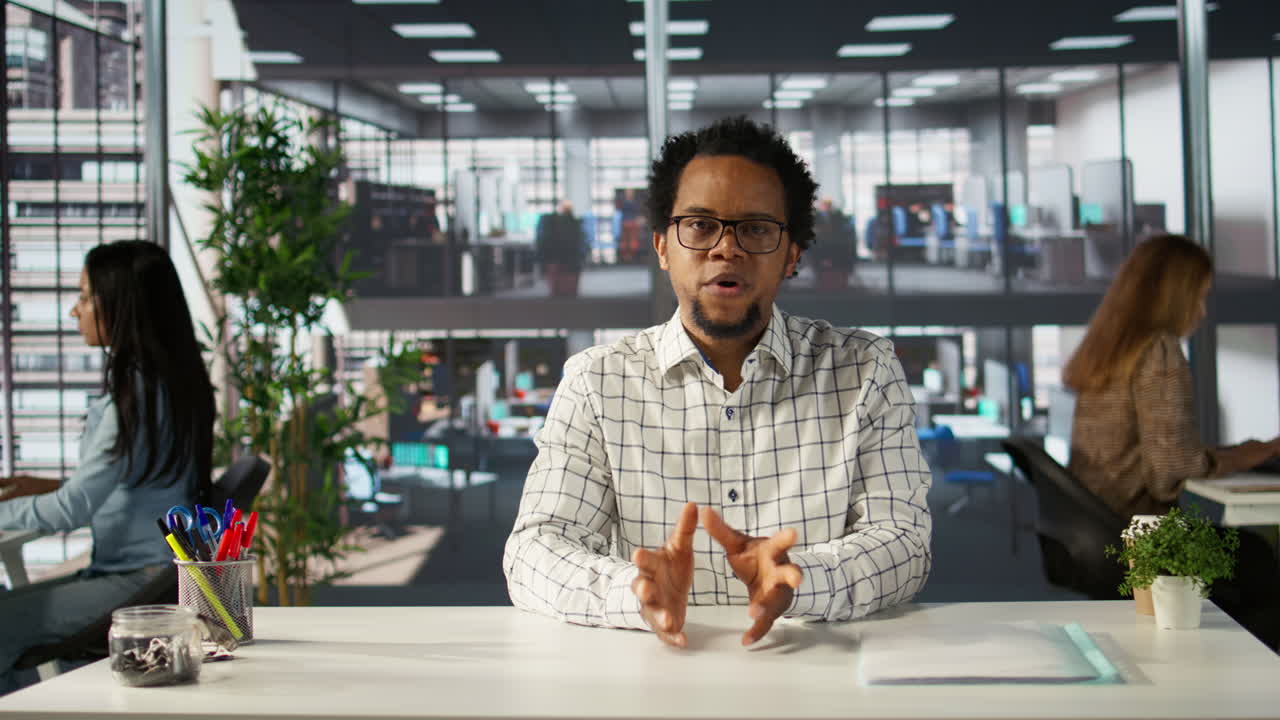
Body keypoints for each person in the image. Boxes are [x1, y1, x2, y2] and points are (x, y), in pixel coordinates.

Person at [504, 116, 932, 648]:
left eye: (756, 228)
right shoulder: (597, 382)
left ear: (792, 255)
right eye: (701, 225)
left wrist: (801, 580)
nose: (726, 248)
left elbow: (905, 542)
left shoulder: (865, 369)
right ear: (663, 246)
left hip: (821, 672)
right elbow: (535, 549)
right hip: (654, 676)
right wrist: (632, 590)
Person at [0, 240, 215, 690]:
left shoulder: (134, 396)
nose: (74, 311)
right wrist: (49, 486)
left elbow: (71, 510)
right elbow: (143, 483)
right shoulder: (170, 381)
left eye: (84, 297)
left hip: (137, 578)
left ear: (121, 305)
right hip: (154, 572)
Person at [1064, 233, 1280, 649]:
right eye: (1199, 297)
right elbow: (1169, 473)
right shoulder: (1159, 351)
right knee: (1255, 556)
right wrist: (1249, 455)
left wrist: (1237, 453)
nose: (1202, 311)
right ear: (1173, 297)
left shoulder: (1108, 349)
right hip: (1140, 536)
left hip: (1096, 532)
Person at [535, 200, 587, 297]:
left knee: (554, 265)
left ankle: (558, 289)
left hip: (557, 257)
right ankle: (567, 290)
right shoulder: (575, 224)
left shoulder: (551, 224)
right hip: (571, 257)